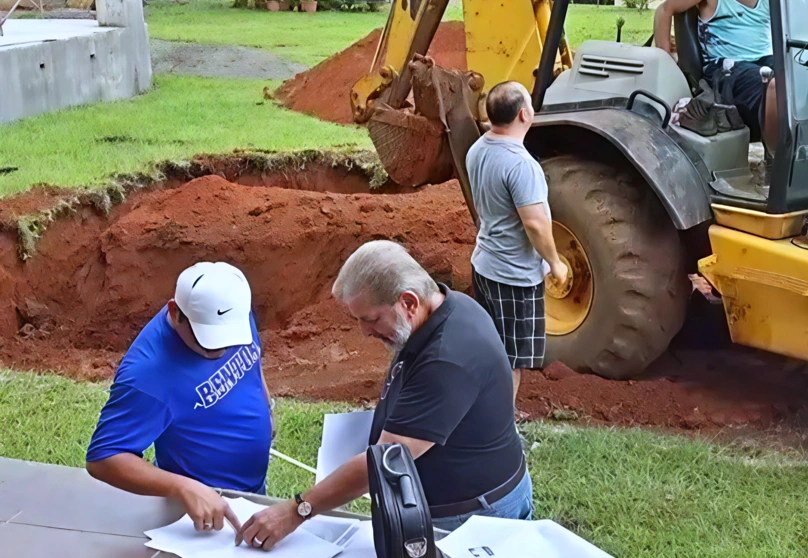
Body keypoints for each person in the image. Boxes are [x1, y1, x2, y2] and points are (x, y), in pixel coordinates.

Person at [236, 241, 531, 548]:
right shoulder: (444, 307)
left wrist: (296, 510)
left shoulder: (447, 359)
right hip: (466, 503)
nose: (365, 332)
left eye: (372, 319)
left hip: (466, 520)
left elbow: (386, 462)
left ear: (409, 302)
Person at [86, 261, 272, 534]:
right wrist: (183, 487)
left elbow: (252, 361)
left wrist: (267, 406)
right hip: (201, 513)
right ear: (175, 312)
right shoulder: (147, 375)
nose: (221, 350)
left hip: (254, 493)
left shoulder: (230, 306)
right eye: (208, 341)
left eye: (228, 340)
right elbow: (104, 458)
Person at [466, 81, 568, 407]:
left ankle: (480, 414)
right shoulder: (523, 165)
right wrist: (555, 262)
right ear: (525, 113)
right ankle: (500, 429)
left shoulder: (477, 148)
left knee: (489, 350)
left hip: (484, 264)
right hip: (514, 277)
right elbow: (535, 224)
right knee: (510, 361)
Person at [654, 0, 779, 155]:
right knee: (776, 87)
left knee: (798, 80)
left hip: (762, 60)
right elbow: (664, 9)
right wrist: (664, 58)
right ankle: (774, 165)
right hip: (725, 69)